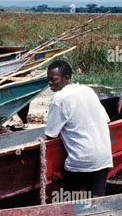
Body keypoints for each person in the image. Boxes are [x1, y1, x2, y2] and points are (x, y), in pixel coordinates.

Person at [45, 60, 113, 198]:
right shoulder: (88, 90)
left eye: (54, 79)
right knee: (96, 202)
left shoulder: (59, 98)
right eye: (48, 80)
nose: (50, 83)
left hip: (81, 160)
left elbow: (50, 135)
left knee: (72, 204)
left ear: (66, 78)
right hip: (104, 158)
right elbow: (106, 119)